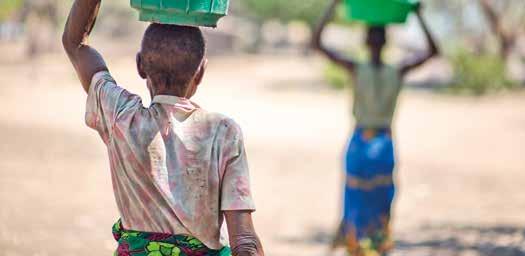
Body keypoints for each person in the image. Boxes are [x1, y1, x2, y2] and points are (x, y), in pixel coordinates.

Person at [62, 1, 264, 255]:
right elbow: (244, 240)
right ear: (200, 72)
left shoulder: (121, 117)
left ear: (140, 66)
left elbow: (75, 44)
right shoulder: (223, 133)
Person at [312, 0, 439, 255]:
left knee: (357, 197)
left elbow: (317, 43)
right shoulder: (398, 70)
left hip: (360, 142)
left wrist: (333, 7)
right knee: (381, 199)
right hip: (383, 143)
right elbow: (433, 51)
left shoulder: (356, 68)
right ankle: (377, 245)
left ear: (366, 42)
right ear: (385, 43)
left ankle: (357, 246)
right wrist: (418, 16)